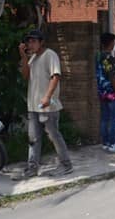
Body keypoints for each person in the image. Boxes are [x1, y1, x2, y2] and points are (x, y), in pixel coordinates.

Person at [13, 30, 73, 179]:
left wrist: (47, 97)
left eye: (33, 41)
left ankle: (66, 165)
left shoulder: (50, 55)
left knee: (53, 135)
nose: (30, 44)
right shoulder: (33, 58)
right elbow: (26, 75)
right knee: (33, 138)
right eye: (28, 41)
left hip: (48, 105)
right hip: (33, 106)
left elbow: (56, 76)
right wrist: (23, 54)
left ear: (41, 42)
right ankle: (32, 168)